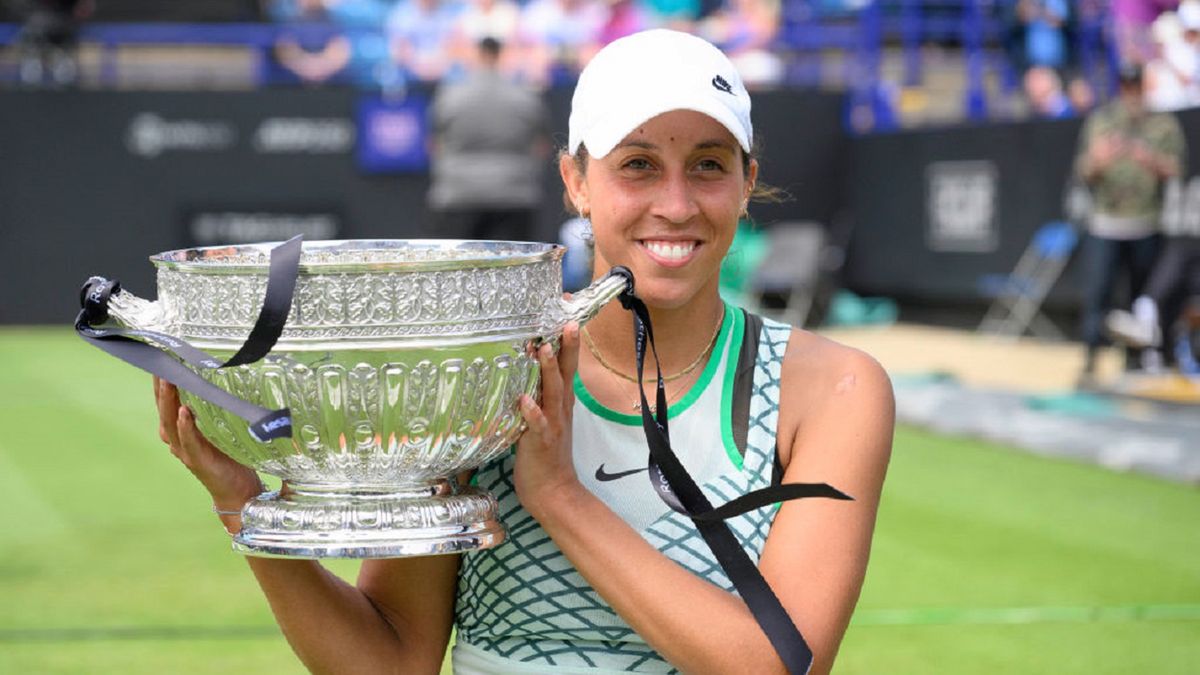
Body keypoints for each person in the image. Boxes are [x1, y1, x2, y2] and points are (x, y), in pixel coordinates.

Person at [152, 29, 893, 674]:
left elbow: (779, 664)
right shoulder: (478, 381)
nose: (676, 203)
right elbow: (390, 661)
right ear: (576, 182)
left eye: (708, 164)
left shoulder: (832, 390)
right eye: (637, 164)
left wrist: (560, 498)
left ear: (746, 183)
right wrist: (241, 503)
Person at [1073, 63, 1185, 384]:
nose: (1131, 91)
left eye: (1136, 84)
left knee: (1140, 297)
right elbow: (1083, 171)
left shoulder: (1162, 123)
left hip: (1145, 222)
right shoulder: (1103, 121)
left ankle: (1134, 359)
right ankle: (1091, 356)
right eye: (1126, 84)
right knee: (1098, 293)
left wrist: (1147, 158)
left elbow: (1177, 168)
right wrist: (1099, 158)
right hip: (1105, 222)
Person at [427, 37, 551, 242]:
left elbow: (434, 144)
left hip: (458, 193)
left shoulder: (450, 96)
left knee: (460, 269)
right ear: (501, 56)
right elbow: (541, 146)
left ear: (476, 55)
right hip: (516, 193)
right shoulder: (525, 96)